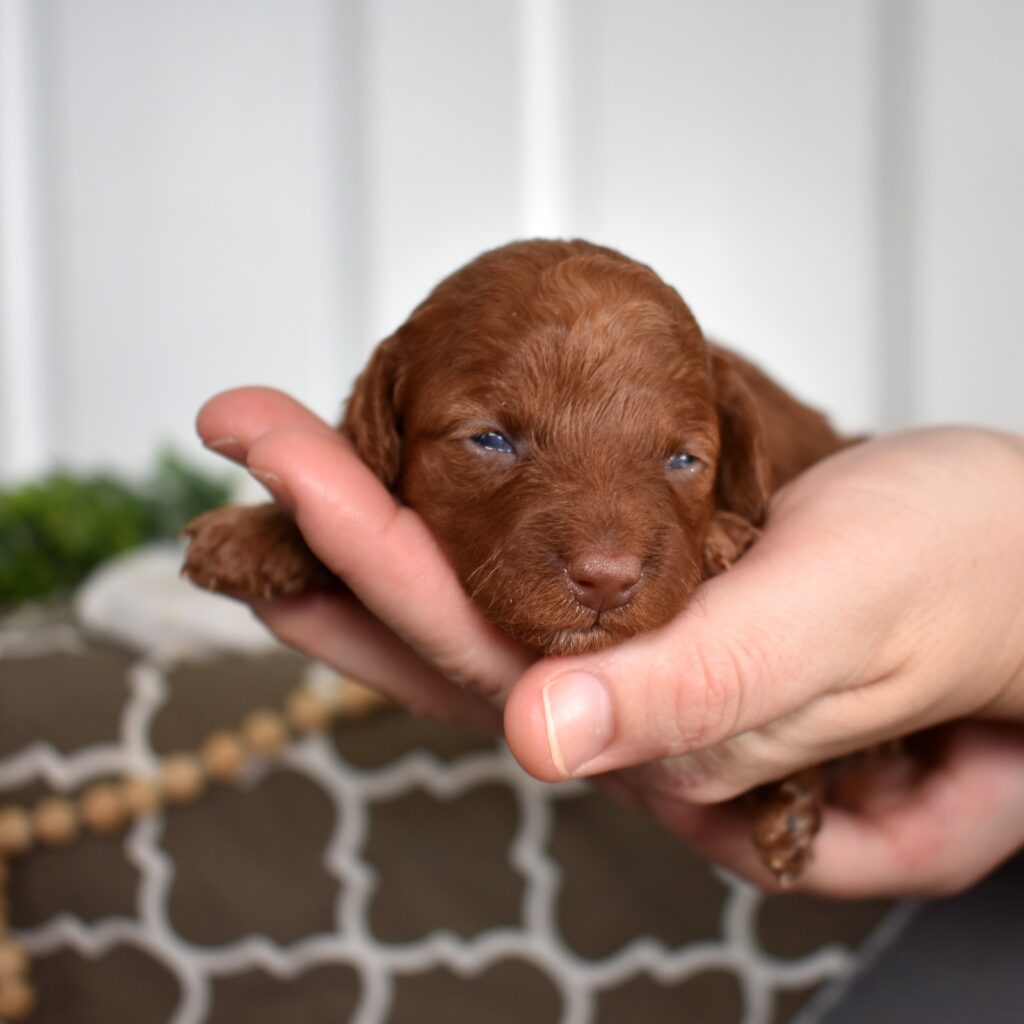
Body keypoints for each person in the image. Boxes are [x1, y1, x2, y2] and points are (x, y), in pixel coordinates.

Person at [196, 385, 1024, 899]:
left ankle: (797, 771)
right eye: (492, 440)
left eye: (679, 459)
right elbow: (388, 499)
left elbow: (781, 540)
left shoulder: (755, 444)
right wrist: (299, 536)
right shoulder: (404, 436)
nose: (601, 562)